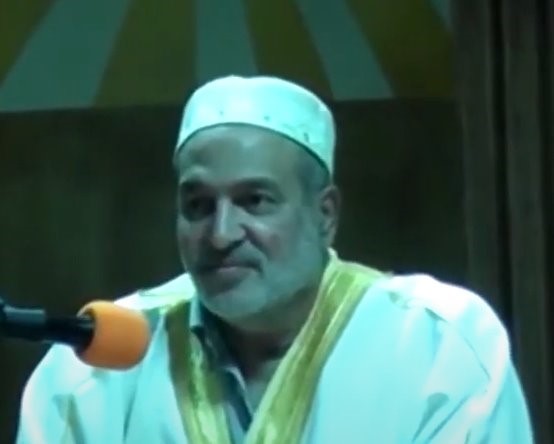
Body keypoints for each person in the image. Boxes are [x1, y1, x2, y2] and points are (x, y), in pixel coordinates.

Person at [16, 76, 533, 444]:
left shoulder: (436, 346)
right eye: (198, 205)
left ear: (325, 215)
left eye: (255, 201)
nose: (221, 234)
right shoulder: (92, 368)